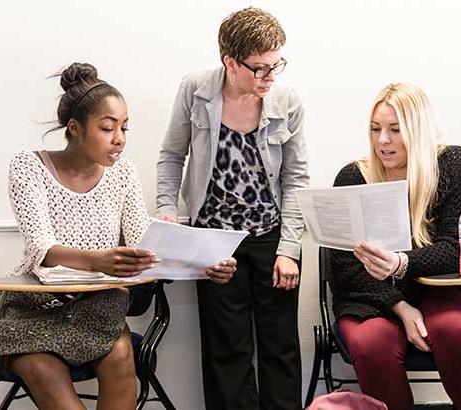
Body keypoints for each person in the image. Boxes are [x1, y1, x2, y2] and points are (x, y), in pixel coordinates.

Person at [0, 62, 236, 410]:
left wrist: (207, 264)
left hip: (97, 308)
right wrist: (100, 259)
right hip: (32, 308)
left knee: (119, 356)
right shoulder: (28, 166)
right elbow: (41, 247)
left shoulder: (123, 174)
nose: (120, 140)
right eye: (107, 128)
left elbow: (146, 242)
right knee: (42, 367)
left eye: (125, 129)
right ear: (75, 128)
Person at [156, 7, 309, 410]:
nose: (270, 76)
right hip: (214, 240)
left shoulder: (288, 100)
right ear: (230, 62)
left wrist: (289, 250)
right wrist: (168, 211)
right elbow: (172, 156)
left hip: (270, 237)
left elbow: (296, 179)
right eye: (259, 68)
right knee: (227, 350)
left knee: (280, 348)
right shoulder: (196, 90)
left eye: (275, 65)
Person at [330, 83, 461, 410]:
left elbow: (457, 248)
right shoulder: (354, 176)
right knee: (371, 345)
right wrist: (400, 305)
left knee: (457, 330)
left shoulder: (455, 164)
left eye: (395, 130)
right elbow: (344, 266)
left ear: (419, 130)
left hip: (437, 288)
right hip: (370, 294)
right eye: (375, 129)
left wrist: (401, 263)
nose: (383, 140)